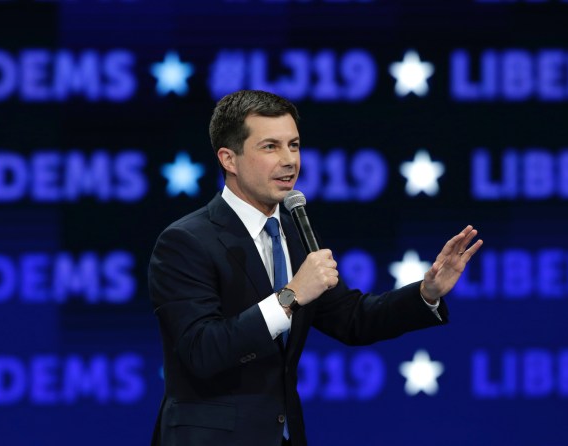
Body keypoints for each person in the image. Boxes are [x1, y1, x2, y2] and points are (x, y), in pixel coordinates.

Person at [148, 90, 482, 446]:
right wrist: (290, 297)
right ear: (229, 159)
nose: (290, 160)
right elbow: (201, 352)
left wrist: (426, 293)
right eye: (270, 147)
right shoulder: (186, 241)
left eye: (294, 145)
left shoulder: (294, 231)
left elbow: (353, 319)